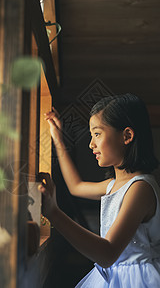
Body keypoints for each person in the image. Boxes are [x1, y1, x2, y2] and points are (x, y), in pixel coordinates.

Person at [38, 93, 160, 287]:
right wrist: (58, 140)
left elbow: (107, 253)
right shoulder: (114, 185)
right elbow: (75, 186)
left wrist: (53, 212)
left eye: (97, 134)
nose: (91, 144)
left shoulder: (141, 189)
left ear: (127, 136)